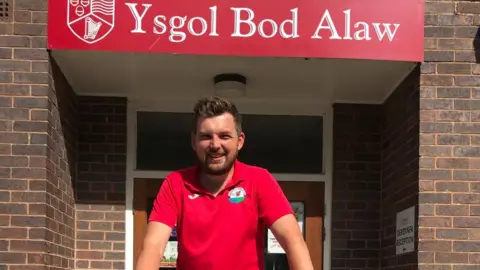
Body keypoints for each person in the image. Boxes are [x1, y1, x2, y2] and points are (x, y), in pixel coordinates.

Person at [135, 96, 314, 270]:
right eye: (206, 136)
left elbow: (294, 243)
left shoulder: (259, 180)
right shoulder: (175, 183)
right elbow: (153, 246)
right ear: (193, 141)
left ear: (240, 141)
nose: (215, 144)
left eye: (224, 136)